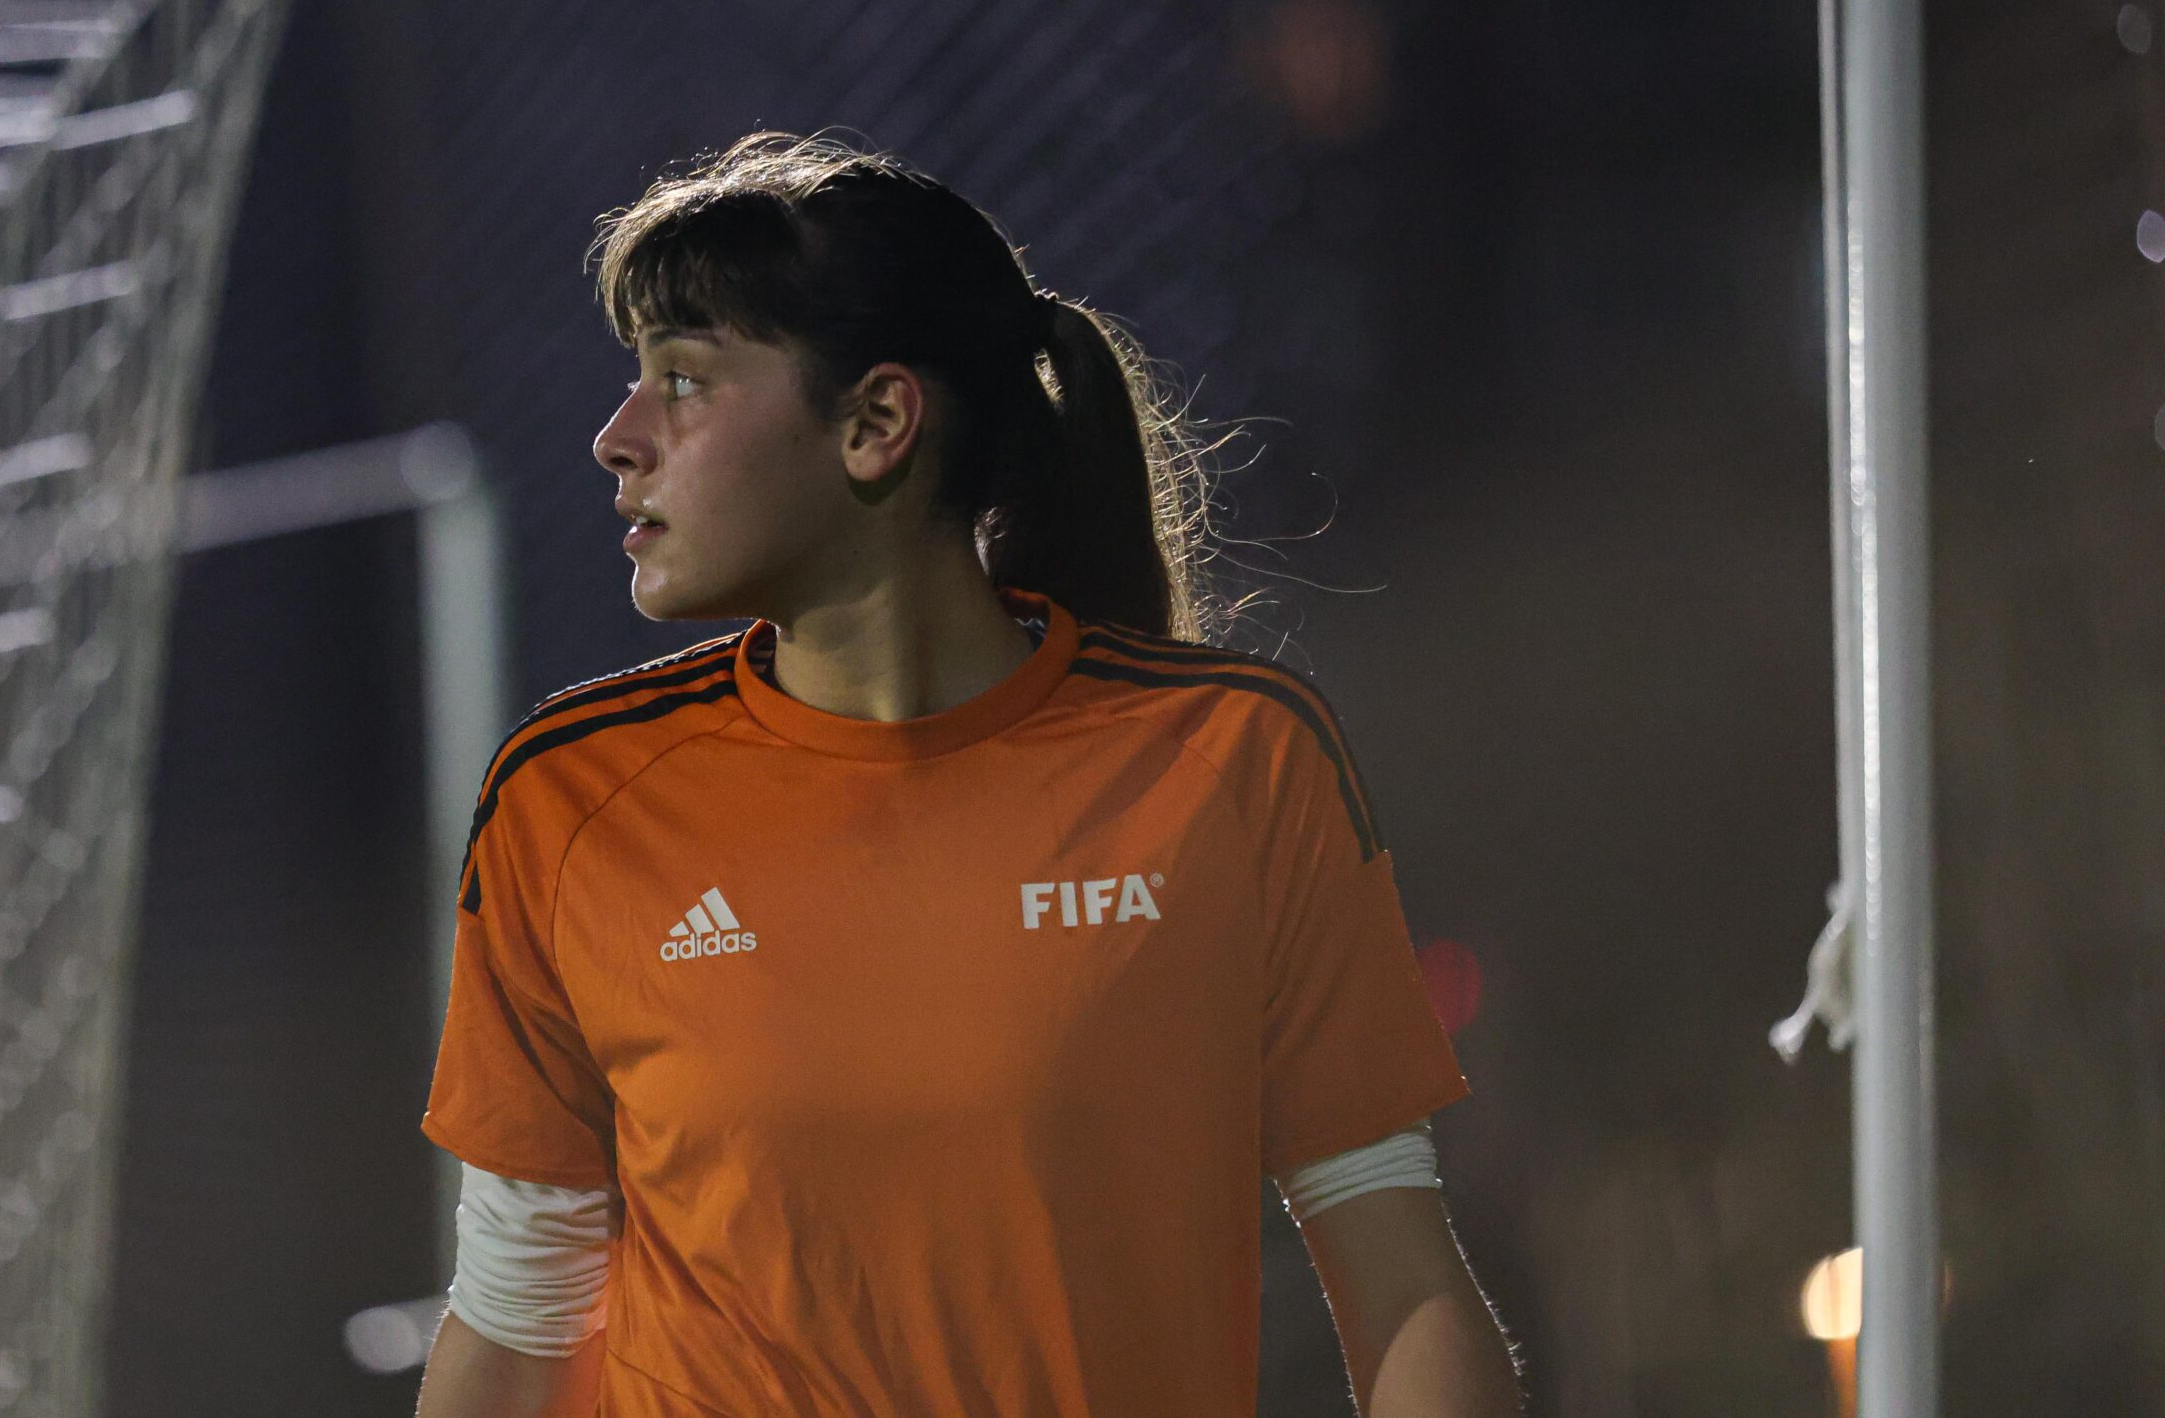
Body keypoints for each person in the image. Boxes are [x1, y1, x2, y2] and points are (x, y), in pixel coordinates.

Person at [414, 132, 1521, 1417]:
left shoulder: (1233, 759)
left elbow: (1407, 1291)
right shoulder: (564, 799)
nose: (618, 437)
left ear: (876, 423)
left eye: (683, 382)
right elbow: (516, 1327)